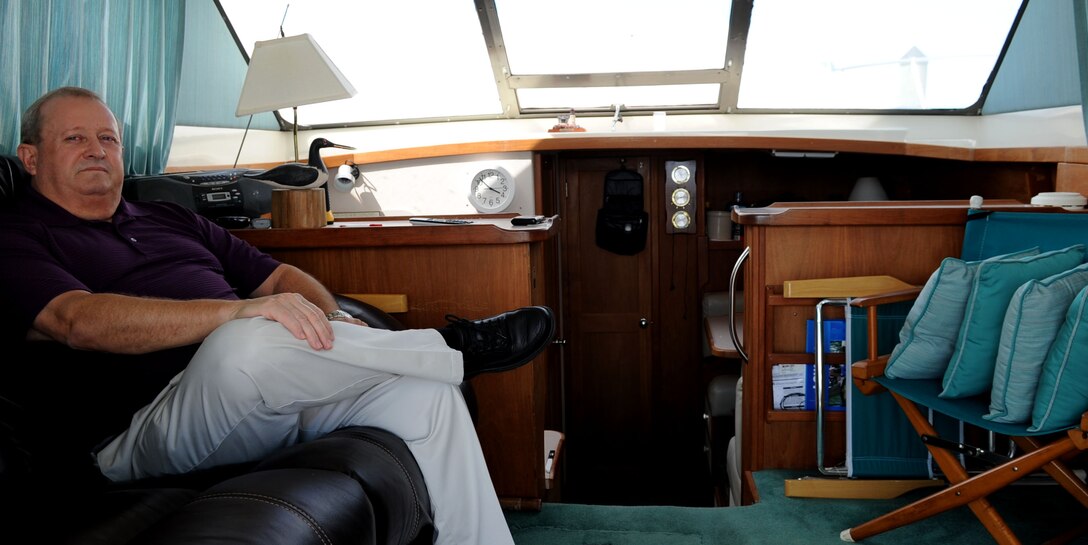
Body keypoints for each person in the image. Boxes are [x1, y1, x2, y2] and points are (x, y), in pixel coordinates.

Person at [0, 86, 556, 545]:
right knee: (247, 341)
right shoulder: (18, 235)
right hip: (145, 430)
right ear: (31, 158)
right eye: (75, 139)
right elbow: (76, 321)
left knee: (426, 395)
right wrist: (241, 312)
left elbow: (281, 278)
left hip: (259, 401)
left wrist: (332, 317)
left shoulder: (170, 216)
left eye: (108, 139)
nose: (97, 150)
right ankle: (450, 347)